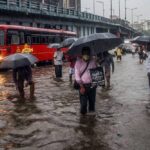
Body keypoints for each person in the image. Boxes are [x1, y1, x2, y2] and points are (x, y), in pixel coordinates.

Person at [75, 46, 97, 115]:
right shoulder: (78, 62)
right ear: (82, 54)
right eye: (85, 53)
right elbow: (77, 75)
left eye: (87, 53)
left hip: (92, 86)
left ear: (90, 54)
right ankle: (83, 120)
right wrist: (81, 86)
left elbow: (96, 72)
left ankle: (91, 121)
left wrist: (98, 62)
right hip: (83, 86)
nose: (86, 55)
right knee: (83, 105)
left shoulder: (93, 62)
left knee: (92, 104)